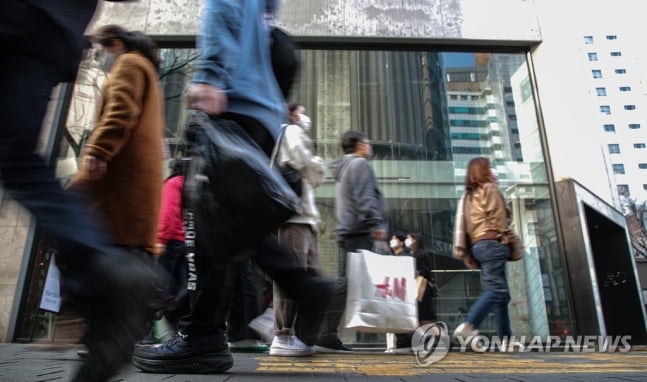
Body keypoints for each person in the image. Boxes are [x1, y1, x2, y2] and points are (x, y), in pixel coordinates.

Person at [132, 0, 346, 374]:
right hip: (261, 112)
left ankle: (208, 335)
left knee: (210, 225)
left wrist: (210, 74)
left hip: (231, 103)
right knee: (225, 230)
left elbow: (221, 9)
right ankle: (206, 334)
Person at [0, 1, 159, 381]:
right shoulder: (148, 71)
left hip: (17, 17)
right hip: (52, 30)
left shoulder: (130, 66)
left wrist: (98, 151)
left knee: (23, 168)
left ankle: (96, 291)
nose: (102, 54)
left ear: (118, 45)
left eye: (105, 48)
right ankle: (98, 297)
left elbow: (120, 111)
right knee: (19, 162)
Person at [323, 130, 387, 353]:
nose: (370, 148)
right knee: (349, 282)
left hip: (350, 230)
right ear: (360, 144)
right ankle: (324, 330)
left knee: (349, 281)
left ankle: (326, 331)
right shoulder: (359, 165)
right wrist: (375, 223)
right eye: (368, 142)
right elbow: (364, 196)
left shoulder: (346, 167)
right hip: (359, 231)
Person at [269, 102, 325, 357]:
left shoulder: (289, 134)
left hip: (304, 219)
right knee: (293, 277)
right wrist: (318, 164)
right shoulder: (290, 131)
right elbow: (309, 167)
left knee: (310, 276)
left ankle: (294, 332)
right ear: (291, 114)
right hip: (295, 218)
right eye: (302, 111)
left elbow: (311, 176)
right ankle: (282, 335)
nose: (306, 116)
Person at [452, 157, 515, 345]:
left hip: (478, 246)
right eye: (488, 167)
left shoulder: (468, 197)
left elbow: (466, 228)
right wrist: (504, 238)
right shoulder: (490, 188)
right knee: (496, 289)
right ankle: (469, 326)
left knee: (501, 293)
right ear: (483, 170)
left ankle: (507, 339)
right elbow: (499, 217)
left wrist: (469, 253)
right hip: (492, 242)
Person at [394, 232, 437, 353]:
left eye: (408, 238)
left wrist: (415, 272)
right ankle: (427, 341)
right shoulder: (410, 254)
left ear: (415, 240)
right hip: (416, 290)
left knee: (423, 319)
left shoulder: (421, 254)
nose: (407, 240)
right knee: (419, 319)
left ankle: (441, 339)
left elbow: (426, 272)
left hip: (422, 290)